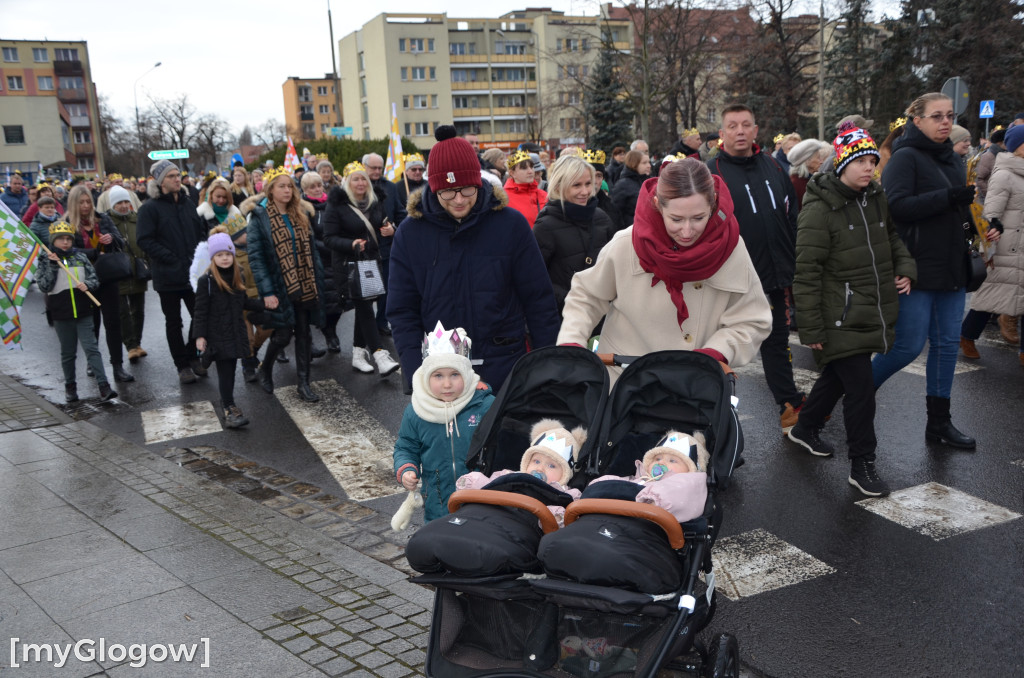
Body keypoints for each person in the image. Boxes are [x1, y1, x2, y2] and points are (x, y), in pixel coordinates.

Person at [789, 124, 917, 497]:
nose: (869, 168)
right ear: (842, 161)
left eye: (873, 160)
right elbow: (807, 270)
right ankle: (863, 464)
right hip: (839, 314)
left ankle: (805, 426)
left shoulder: (875, 196)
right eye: (860, 160)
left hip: (869, 307)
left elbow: (891, 237)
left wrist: (904, 267)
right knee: (861, 390)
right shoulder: (819, 207)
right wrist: (810, 328)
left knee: (839, 377)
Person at [558, 158, 772, 381]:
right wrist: (572, 342)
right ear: (658, 205)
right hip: (623, 382)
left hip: (695, 385)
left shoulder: (732, 247)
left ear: (713, 203)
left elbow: (752, 319)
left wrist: (718, 351)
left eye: (699, 218)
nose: (687, 231)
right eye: (676, 219)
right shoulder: (627, 243)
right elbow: (587, 297)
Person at [388, 125, 560, 392]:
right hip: (442, 372)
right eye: (448, 192)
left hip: (506, 365)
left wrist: (547, 365)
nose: (459, 200)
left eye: (468, 189)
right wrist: (415, 376)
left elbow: (538, 299)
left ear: (479, 182)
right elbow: (402, 310)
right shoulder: (410, 233)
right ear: (433, 189)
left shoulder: (510, 224)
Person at [872, 92, 982, 450]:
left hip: (951, 266)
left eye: (949, 115)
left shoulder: (952, 158)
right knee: (906, 347)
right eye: (937, 116)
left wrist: (983, 226)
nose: (946, 122)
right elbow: (897, 207)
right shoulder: (905, 157)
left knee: (948, 346)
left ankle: (939, 423)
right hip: (916, 267)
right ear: (917, 121)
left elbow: (957, 209)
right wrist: (949, 198)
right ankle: (850, 395)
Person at [708, 104, 803, 434]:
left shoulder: (773, 167)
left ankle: (789, 406)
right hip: (729, 282)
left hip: (773, 277)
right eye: (732, 126)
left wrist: (790, 262)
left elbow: (791, 214)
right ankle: (710, 418)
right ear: (722, 134)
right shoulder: (712, 173)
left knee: (777, 342)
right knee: (720, 349)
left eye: (745, 125)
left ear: (755, 130)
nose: (739, 131)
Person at [393, 323, 494, 522]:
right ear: (426, 376)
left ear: (466, 374)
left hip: (481, 501)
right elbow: (406, 446)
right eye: (438, 376)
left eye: (455, 375)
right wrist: (406, 468)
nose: (447, 384)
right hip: (437, 505)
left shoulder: (485, 405)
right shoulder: (417, 410)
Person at [247, 167, 328, 402]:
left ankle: (303, 383)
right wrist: (267, 291)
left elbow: (312, 251)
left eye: (290, 186)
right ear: (270, 190)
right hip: (279, 285)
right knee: (282, 336)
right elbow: (256, 257)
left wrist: (318, 280)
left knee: (304, 334)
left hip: (304, 284)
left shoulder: (300, 213)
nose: (287, 190)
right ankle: (265, 368)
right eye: (281, 186)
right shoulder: (259, 216)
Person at [323, 162, 400, 376]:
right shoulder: (337, 204)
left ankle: (358, 353)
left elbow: (383, 222)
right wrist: (351, 244)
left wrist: (389, 229)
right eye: (355, 179)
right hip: (348, 266)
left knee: (365, 305)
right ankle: (379, 354)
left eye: (363, 179)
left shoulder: (375, 200)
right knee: (365, 308)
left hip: (371, 261)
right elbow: (328, 238)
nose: (360, 183)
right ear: (347, 182)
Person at [137, 159, 209, 385]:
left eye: (178, 175)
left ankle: (193, 354)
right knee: (174, 321)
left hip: (193, 274)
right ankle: (182, 365)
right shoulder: (149, 208)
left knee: (200, 317)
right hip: (167, 275)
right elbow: (144, 240)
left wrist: (201, 254)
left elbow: (199, 232)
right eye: (171, 176)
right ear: (160, 182)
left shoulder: (188, 203)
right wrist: (172, 259)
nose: (177, 179)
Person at [960, 124, 1022, 364]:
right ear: (1017, 146)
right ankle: (967, 335)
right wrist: (993, 232)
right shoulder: (1004, 173)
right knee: (992, 295)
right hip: (1006, 244)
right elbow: (992, 212)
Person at [36, 221, 117, 403]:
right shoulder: (45, 260)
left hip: (83, 311)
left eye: (68, 239)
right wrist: (54, 266)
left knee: (91, 348)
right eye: (61, 239)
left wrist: (87, 285)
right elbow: (44, 285)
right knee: (68, 352)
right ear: (53, 241)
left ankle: (104, 386)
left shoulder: (80, 257)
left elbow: (94, 279)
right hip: (60, 313)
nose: (65, 242)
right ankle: (70, 387)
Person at [193, 230, 266, 429]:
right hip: (217, 335)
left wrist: (265, 304)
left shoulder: (236, 276)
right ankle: (228, 408)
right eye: (219, 255)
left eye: (227, 254)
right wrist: (199, 336)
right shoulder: (206, 281)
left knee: (231, 372)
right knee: (225, 373)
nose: (224, 258)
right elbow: (200, 311)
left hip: (234, 332)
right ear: (213, 258)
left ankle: (229, 405)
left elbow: (244, 302)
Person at [455, 418, 585, 526]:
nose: (540, 469)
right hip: (494, 515)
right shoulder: (510, 475)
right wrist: (474, 482)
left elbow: (574, 510)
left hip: (525, 525)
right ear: (526, 462)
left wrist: (557, 516)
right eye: (536, 461)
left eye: (551, 465)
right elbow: (490, 485)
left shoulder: (565, 492)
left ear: (566, 473)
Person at [66, 184, 133, 384]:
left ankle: (118, 366)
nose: (86, 206)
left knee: (113, 322)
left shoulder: (103, 219)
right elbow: (68, 252)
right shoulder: (68, 224)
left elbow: (121, 242)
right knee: (91, 324)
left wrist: (111, 238)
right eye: (82, 203)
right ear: (74, 204)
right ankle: (92, 362)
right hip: (84, 280)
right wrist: (93, 252)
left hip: (107, 277)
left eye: (88, 202)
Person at [533, 154, 615, 315]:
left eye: (588, 184)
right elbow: (536, 279)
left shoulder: (601, 217)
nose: (585, 191)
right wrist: (569, 298)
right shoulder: (545, 227)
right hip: (566, 318)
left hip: (603, 315)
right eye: (576, 185)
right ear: (559, 187)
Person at [587, 431, 709, 523]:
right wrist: (596, 487)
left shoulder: (687, 485)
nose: (661, 463)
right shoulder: (637, 480)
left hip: (647, 526)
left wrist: (649, 498)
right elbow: (608, 484)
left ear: (691, 469)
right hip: (612, 519)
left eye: (672, 460)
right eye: (657, 459)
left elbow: (675, 499)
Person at [105, 186, 150, 365]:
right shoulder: (106, 221)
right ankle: (130, 345)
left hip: (137, 270)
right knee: (123, 312)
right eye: (119, 203)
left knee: (138, 310)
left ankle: (137, 342)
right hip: (118, 273)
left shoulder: (137, 219)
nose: (123, 206)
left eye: (126, 202)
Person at [362, 152, 404, 335]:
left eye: (380, 168)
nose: (377, 171)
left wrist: (395, 229)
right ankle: (366, 327)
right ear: (364, 167)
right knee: (367, 291)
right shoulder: (358, 186)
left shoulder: (391, 187)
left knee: (387, 289)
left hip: (387, 247)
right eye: (373, 168)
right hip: (365, 248)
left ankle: (381, 322)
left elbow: (400, 212)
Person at [301, 172, 343, 354]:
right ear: (304, 190)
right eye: (312, 187)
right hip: (318, 260)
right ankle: (327, 332)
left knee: (339, 302)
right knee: (323, 303)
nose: (317, 189)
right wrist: (331, 245)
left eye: (319, 185)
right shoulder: (304, 208)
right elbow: (308, 236)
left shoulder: (333, 205)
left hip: (336, 259)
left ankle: (331, 330)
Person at [502, 149, 548, 229]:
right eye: (524, 168)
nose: (530, 171)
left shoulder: (544, 195)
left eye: (531, 167)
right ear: (512, 173)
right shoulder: (503, 198)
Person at [610, 149, 651, 227]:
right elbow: (615, 212)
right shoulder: (622, 185)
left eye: (648, 162)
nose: (649, 165)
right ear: (634, 164)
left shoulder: (648, 181)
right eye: (644, 163)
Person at [787, 139, 830, 209]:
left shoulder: (809, 180)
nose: (821, 161)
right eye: (818, 157)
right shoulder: (796, 184)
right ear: (807, 161)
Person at [976, 127, 1006, 203]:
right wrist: (989, 195)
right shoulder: (988, 156)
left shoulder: (1003, 155)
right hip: (989, 200)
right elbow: (979, 179)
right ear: (1000, 142)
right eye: (1006, 141)